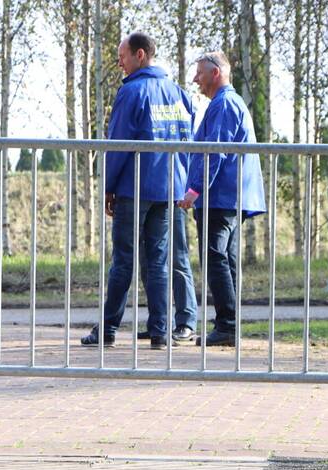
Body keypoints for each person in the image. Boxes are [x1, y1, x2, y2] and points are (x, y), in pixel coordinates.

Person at [81, 32, 196, 350]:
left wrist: (108, 187)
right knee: (158, 262)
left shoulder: (132, 92)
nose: (120, 61)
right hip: (168, 188)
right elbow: (190, 143)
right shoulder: (179, 93)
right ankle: (160, 331)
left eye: (123, 55)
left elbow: (117, 145)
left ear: (140, 55)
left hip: (135, 187)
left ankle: (107, 329)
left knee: (123, 260)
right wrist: (181, 181)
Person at [178, 51, 265, 347]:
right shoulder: (229, 102)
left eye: (199, 73)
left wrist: (195, 190)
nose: (195, 80)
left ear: (215, 73)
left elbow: (215, 151)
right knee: (225, 259)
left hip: (221, 196)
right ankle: (228, 324)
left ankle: (227, 325)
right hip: (230, 195)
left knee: (215, 257)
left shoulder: (223, 104)